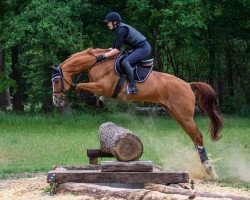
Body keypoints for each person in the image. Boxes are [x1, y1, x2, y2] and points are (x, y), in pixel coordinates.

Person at [96, 12, 151, 94]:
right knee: (120, 60)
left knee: (126, 62)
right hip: (137, 48)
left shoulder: (122, 30)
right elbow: (113, 48)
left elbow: (117, 50)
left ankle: (133, 87)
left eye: (108, 22)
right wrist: (100, 51)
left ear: (115, 22)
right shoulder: (118, 30)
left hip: (143, 48)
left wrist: (104, 56)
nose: (107, 24)